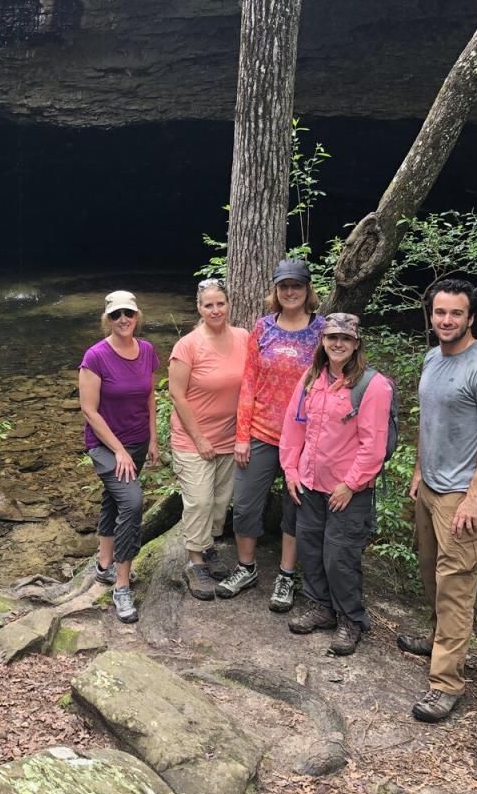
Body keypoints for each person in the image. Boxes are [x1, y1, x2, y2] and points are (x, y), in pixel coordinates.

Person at [403, 278, 477, 722]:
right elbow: (433, 421)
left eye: (456, 314)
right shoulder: (433, 357)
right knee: (431, 573)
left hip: (460, 498)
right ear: (432, 315)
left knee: (456, 586)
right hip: (430, 488)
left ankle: (446, 684)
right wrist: (418, 470)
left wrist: (473, 497)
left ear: (471, 318)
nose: (447, 320)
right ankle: (437, 640)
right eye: (440, 312)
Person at [279, 313, 392, 655]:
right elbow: (293, 426)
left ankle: (350, 619)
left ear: (356, 343)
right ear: (323, 341)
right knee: (311, 549)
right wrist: (291, 470)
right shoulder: (312, 377)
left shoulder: (373, 386)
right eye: (331, 337)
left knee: (339, 556)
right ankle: (320, 607)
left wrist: (351, 484)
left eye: (345, 338)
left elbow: (374, 444)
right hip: (309, 482)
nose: (338, 343)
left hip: (347, 491)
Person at [216, 259, 325, 606]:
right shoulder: (263, 328)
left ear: (308, 290)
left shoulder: (323, 332)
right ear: (276, 292)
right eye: (284, 286)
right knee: (246, 504)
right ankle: (246, 567)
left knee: (296, 510)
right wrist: (242, 435)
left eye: (296, 285)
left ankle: (285, 576)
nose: (290, 292)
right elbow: (249, 382)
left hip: (305, 439)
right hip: (262, 431)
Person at [79, 290, 160, 624]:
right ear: (107, 320)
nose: (123, 320)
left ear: (137, 315)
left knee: (113, 500)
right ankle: (122, 586)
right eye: (116, 315)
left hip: (138, 443)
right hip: (106, 446)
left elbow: (150, 396)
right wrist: (119, 451)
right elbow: (89, 410)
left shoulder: (147, 350)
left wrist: (153, 439)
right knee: (132, 502)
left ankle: (103, 566)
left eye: (128, 313)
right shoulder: (95, 357)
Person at [168, 278, 251, 600]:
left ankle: (208, 546)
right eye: (208, 305)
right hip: (194, 439)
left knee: (219, 503)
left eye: (220, 304)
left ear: (228, 305)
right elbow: (177, 395)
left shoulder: (243, 337)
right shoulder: (187, 345)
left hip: (231, 438)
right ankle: (195, 562)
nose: (215, 310)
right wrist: (200, 439)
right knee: (200, 500)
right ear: (199, 309)